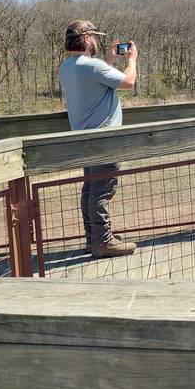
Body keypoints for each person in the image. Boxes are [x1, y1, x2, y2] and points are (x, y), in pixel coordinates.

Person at [59, 20, 138, 258]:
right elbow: (128, 82)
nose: (95, 40)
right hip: (104, 138)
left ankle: (93, 238)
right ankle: (103, 242)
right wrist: (132, 59)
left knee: (91, 189)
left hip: (84, 137)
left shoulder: (67, 67)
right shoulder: (92, 66)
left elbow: (98, 84)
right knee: (103, 190)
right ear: (85, 39)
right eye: (93, 36)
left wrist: (110, 62)